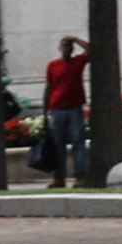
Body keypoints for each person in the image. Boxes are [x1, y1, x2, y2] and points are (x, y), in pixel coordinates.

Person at [45, 36, 91, 187]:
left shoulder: (78, 61)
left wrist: (76, 40)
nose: (67, 48)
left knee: (78, 142)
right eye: (64, 46)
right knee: (58, 144)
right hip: (57, 109)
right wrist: (45, 111)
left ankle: (80, 175)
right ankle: (59, 177)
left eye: (70, 46)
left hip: (74, 107)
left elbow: (91, 50)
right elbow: (49, 88)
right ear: (60, 48)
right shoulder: (52, 65)